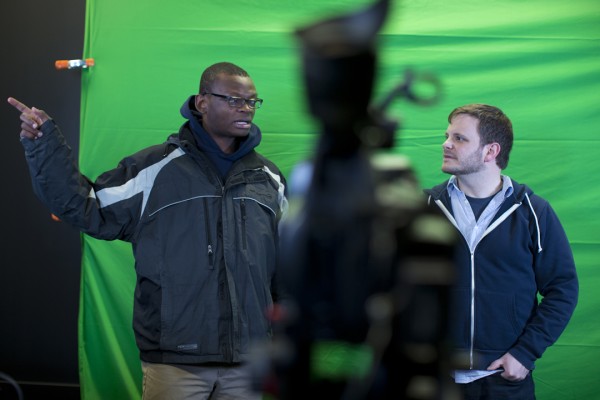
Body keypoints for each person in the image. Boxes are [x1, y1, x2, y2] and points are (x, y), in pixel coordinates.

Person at [8, 61, 288, 400]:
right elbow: (84, 206)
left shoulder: (269, 179)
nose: (245, 108)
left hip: (248, 364)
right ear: (202, 102)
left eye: (252, 101)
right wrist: (42, 144)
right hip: (175, 363)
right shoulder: (155, 170)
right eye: (233, 99)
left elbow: (285, 266)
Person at [423, 103, 578, 399]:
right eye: (447, 136)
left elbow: (563, 288)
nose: (446, 144)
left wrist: (524, 353)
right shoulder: (425, 208)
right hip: (435, 381)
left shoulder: (533, 211)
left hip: (503, 382)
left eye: (459, 138)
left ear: (491, 151)